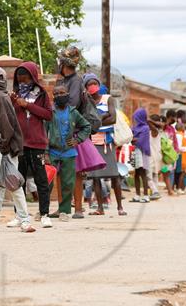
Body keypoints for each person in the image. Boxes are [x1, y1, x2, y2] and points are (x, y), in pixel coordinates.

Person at [0, 67, 34, 233]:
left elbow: (7, 128)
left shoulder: (1, 100)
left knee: (14, 186)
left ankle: (25, 221)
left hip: (4, 152)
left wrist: (3, 147)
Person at [12, 62, 53, 226]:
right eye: (20, 77)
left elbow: (48, 115)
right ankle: (20, 216)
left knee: (41, 179)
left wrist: (27, 105)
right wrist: (15, 103)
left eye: (26, 77)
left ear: (33, 77)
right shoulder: (14, 94)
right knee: (19, 180)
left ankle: (44, 214)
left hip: (37, 143)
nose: (22, 80)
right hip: (20, 143)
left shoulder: (41, 94)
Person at [45, 85, 91, 222]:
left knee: (68, 182)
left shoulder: (73, 112)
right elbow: (43, 132)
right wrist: (46, 152)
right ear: (53, 96)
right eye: (56, 93)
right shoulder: (49, 112)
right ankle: (44, 210)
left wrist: (78, 140)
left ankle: (64, 211)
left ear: (67, 94)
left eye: (62, 93)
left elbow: (86, 126)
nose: (60, 95)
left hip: (69, 152)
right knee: (46, 181)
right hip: (52, 151)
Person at [83, 73, 127, 216]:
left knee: (114, 175)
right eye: (89, 84)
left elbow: (113, 118)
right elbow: (85, 122)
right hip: (92, 142)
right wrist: (103, 118)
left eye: (94, 83)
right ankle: (100, 208)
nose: (92, 86)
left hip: (107, 143)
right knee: (95, 177)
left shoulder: (108, 99)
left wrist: (97, 120)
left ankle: (120, 207)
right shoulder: (86, 102)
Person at [54, 46, 86, 219]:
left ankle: (79, 208)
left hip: (73, 132)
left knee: (76, 172)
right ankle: (62, 208)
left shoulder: (75, 81)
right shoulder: (63, 81)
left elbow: (71, 104)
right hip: (60, 130)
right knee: (60, 171)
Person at [130, 108, 152, 203]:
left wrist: (132, 139)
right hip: (136, 152)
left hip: (143, 152)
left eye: (137, 118)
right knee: (136, 174)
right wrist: (132, 138)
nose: (135, 120)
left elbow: (140, 141)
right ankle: (137, 195)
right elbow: (131, 137)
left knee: (143, 173)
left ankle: (146, 195)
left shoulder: (145, 128)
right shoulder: (134, 128)